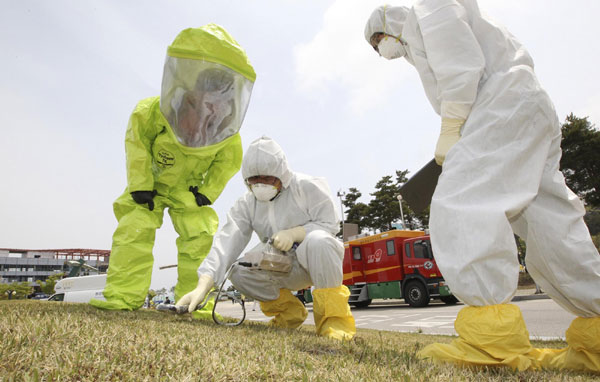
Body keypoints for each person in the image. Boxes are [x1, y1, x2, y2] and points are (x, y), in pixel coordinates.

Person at [364, 1, 600, 372]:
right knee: (549, 222)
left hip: (501, 105)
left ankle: (495, 346)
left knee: (462, 202)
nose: (382, 50)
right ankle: (597, 337)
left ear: (391, 23)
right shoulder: (424, 35)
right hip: (526, 107)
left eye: (378, 40)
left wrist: (452, 124)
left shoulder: (427, 10)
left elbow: (462, 64)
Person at [90, 24, 256, 318]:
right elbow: (137, 142)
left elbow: (228, 162)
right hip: (150, 185)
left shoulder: (228, 132)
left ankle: (193, 302)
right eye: (201, 101)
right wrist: (141, 184)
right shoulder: (153, 110)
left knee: (201, 236)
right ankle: (123, 297)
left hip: (188, 191)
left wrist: (206, 193)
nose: (209, 110)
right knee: (134, 229)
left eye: (217, 103)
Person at [177, 136, 356, 340]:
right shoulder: (247, 204)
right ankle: (290, 314)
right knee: (239, 271)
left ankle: (334, 322)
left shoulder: (306, 186)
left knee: (319, 241)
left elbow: (329, 224)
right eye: (255, 180)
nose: (261, 185)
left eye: (268, 179)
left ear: (282, 174)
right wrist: (203, 285)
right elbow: (227, 242)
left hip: (315, 264)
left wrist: (295, 233)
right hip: (281, 267)